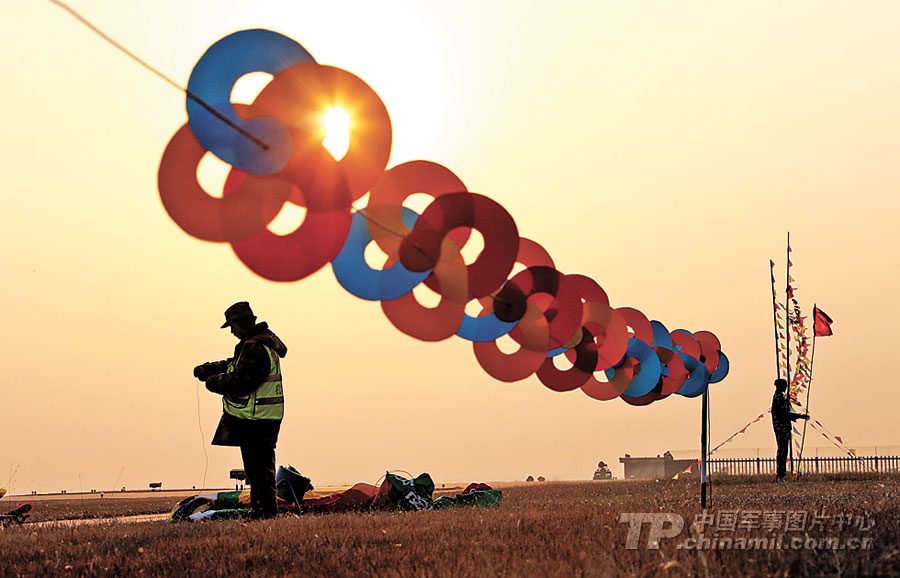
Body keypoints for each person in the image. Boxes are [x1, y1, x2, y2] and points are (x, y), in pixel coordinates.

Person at [193, 301, 288, 519]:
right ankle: (262, 512)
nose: (232, 331)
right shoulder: (257, 344)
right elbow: (234, 364)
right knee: (258, 470)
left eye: (232, 326)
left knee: (259, 471)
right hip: (261, 418)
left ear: (241, 323)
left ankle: (265, 514)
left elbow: (242, 381)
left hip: (257, 419)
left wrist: (212, 382)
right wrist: (212, 368)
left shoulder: (255, 347)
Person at [771, 378, 809, 483]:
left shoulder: (781, 397)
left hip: (783, 427)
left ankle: (781, 475)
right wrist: (800, 416)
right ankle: (780, 475)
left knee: (783, 451)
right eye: (785, 385)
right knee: (782, 451)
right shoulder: (778, 398)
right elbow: (784, 414)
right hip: (781, 427)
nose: (786, 387)